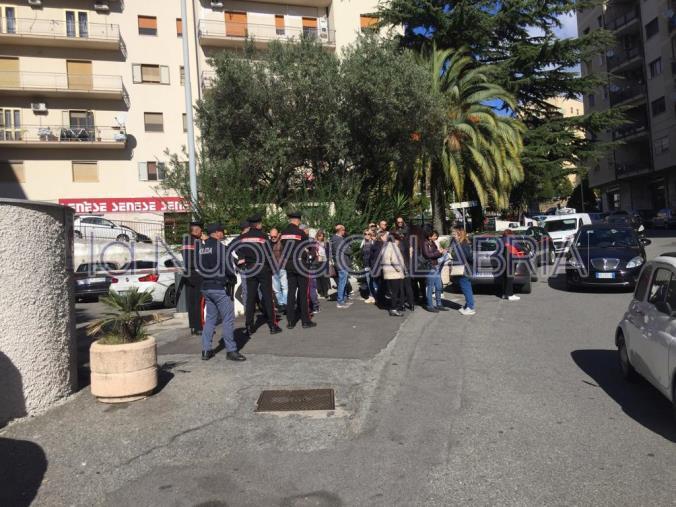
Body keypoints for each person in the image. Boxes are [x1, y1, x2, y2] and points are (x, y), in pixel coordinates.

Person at [197, 223, 246, 362]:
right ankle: (231, 350)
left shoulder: (202, 248)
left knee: (210, 319)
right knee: (228, 318)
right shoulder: (221, 248)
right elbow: (229, 268)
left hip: (206, 287)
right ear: (217, 233)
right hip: (218, 287)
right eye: (222, 231)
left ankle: (206, 350)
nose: (223, 233)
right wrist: (232, 278)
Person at [239, 215, 282, 335]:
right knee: (268, 296)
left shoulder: (243, 237)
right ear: (258, 224)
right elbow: (269, 254)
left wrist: (243, 259)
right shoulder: (262, 236)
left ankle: (249, 326)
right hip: (262, 268)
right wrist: (273, 269)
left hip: (250, 268)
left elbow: (238, 250)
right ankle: (273, 325)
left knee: (250, 298)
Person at [281, 211, 317, 329]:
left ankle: (290, 321)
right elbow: (308, 248)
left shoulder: (284, 233)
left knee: (291, 293)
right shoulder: (301, 232)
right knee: (303, 293)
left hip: (289, 264)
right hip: (300, 264)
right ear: (298, 220)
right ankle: (305, 321)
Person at [179, 221, 204, 335]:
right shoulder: (197, 242)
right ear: (197, 230)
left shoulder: (185, 240)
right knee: (198, 302)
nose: (202, 232)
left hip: (187, 274)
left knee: (191, 302)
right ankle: (199, 327)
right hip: (197, 274)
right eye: (201, 230)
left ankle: (193, 326)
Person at [422, 229, 449, 313]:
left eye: (435, 235)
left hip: (436, 266)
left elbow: (435, 254)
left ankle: (439, 304)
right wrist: (439, 252)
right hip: (430, 267)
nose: (436, 237)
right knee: (430, 287)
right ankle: (430, 305)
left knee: (438, 286)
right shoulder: (425, 243)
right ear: (429, 235)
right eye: (434, 235)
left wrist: (442, 252)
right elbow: (427, 255)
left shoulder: (432, 242)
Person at [451, 226, 476, 315]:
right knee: (466, 288)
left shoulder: (463, 244)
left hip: (465, 269)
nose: (452, 234)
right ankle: (467, 305)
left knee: (466, 288)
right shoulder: (458, 243)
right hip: (462, 269)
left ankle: (470, 308)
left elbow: (469, 257)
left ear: (459, 234)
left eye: (454, 233)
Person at [382, 232, 406, 316]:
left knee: (393, 292)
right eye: (398, 240)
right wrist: (400, 269)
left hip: (388, 272)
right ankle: (393, 309)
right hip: (394, 273)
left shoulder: (385, 246)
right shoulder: (393, 246)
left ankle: (394, 307)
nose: (399, 242)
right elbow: (395, 260)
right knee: (395, 292)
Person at [331, 224, 353, 309]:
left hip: (339, 263)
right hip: (342, 263)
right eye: (344, 230)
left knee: (342, 282)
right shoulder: (339, 239)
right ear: (340, 230)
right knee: (342, 282)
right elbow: (348, 251)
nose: (345, 231)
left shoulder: (333, 238)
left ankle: (342, 300)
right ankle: (340, 301)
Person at [269, 228, 288, 315]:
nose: (273, 238)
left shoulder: (282, 242)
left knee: (285, 287)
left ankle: (285, 303)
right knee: (276, 289)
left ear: (278, 235)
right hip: (273, 269)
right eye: (271, 236)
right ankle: (281, 304)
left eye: (274, 236)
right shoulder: (268, 243)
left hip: (282, 268)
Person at [500, 229, 521, 301]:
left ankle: (504, 294)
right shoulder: (511, 239)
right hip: (510, 260)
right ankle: (510, 294)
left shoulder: (501, 240)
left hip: (502, 261)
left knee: (504, 278)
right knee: (510, 278)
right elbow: (518, 247)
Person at [361, 229, 377, 303]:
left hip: (372, 265)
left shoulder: (373, 243)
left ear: (371, 235)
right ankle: (371, 296)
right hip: (366, 265)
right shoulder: (363, 243)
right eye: (365, 234)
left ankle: (375, 296)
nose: (367, 235)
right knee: (368, 281)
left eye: (368, 234)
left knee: (374, 281)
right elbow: (362, 255)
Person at [314, 230, 330, 300]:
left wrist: (329, 260)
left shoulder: (326, 243)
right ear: (317, 236)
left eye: (322, 236)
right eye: (319, 236)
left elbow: (328, 252)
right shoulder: (314, 243)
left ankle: (325, 292)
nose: (321, 237)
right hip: (317, 261)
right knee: (318, 276)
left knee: (324, 277)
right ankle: (320, 291)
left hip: (324, 261)